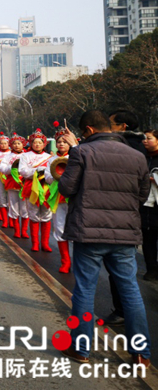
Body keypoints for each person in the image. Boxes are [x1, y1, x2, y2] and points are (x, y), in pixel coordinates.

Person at [58, 110, 151, 368]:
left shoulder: (81, 153)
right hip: (124, 233)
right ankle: (141, 354)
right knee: (130, 290)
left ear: (87, 130)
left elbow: (66, 188)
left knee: (85, 289)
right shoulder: (137, 156)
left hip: (88, 232)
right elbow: (141, 196)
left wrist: (75, 151)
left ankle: (81, 349)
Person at [18, 129, 54, 252]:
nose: (37, 144)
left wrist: (40, 171)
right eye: (35, 142)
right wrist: (38, 170)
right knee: (33, 214)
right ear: (31, 143)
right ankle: (35, 243)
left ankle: (45, 243)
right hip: (31, 186)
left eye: (40, 142)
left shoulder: (49, 157)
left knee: (46, 214)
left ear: (44, 144)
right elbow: (22, 171)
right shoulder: (25, 156)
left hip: (46, 187)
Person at [44, 123, 72, 273]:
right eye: (59, 142)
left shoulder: (77, 156)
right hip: (58, 195)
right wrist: (56, 176)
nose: (61, 144)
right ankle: (65, 261)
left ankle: (79, 262)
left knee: (77, 227)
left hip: (74, 197)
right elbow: (47, 176)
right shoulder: (51, 159)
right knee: (60, 227)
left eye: (65, 141)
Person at [140, 129, 158, 281]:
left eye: (149, 138)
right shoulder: (141, 158)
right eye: (144, 138)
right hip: (145, 205)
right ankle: (151, 268)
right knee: (147, 239)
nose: (145, 141)